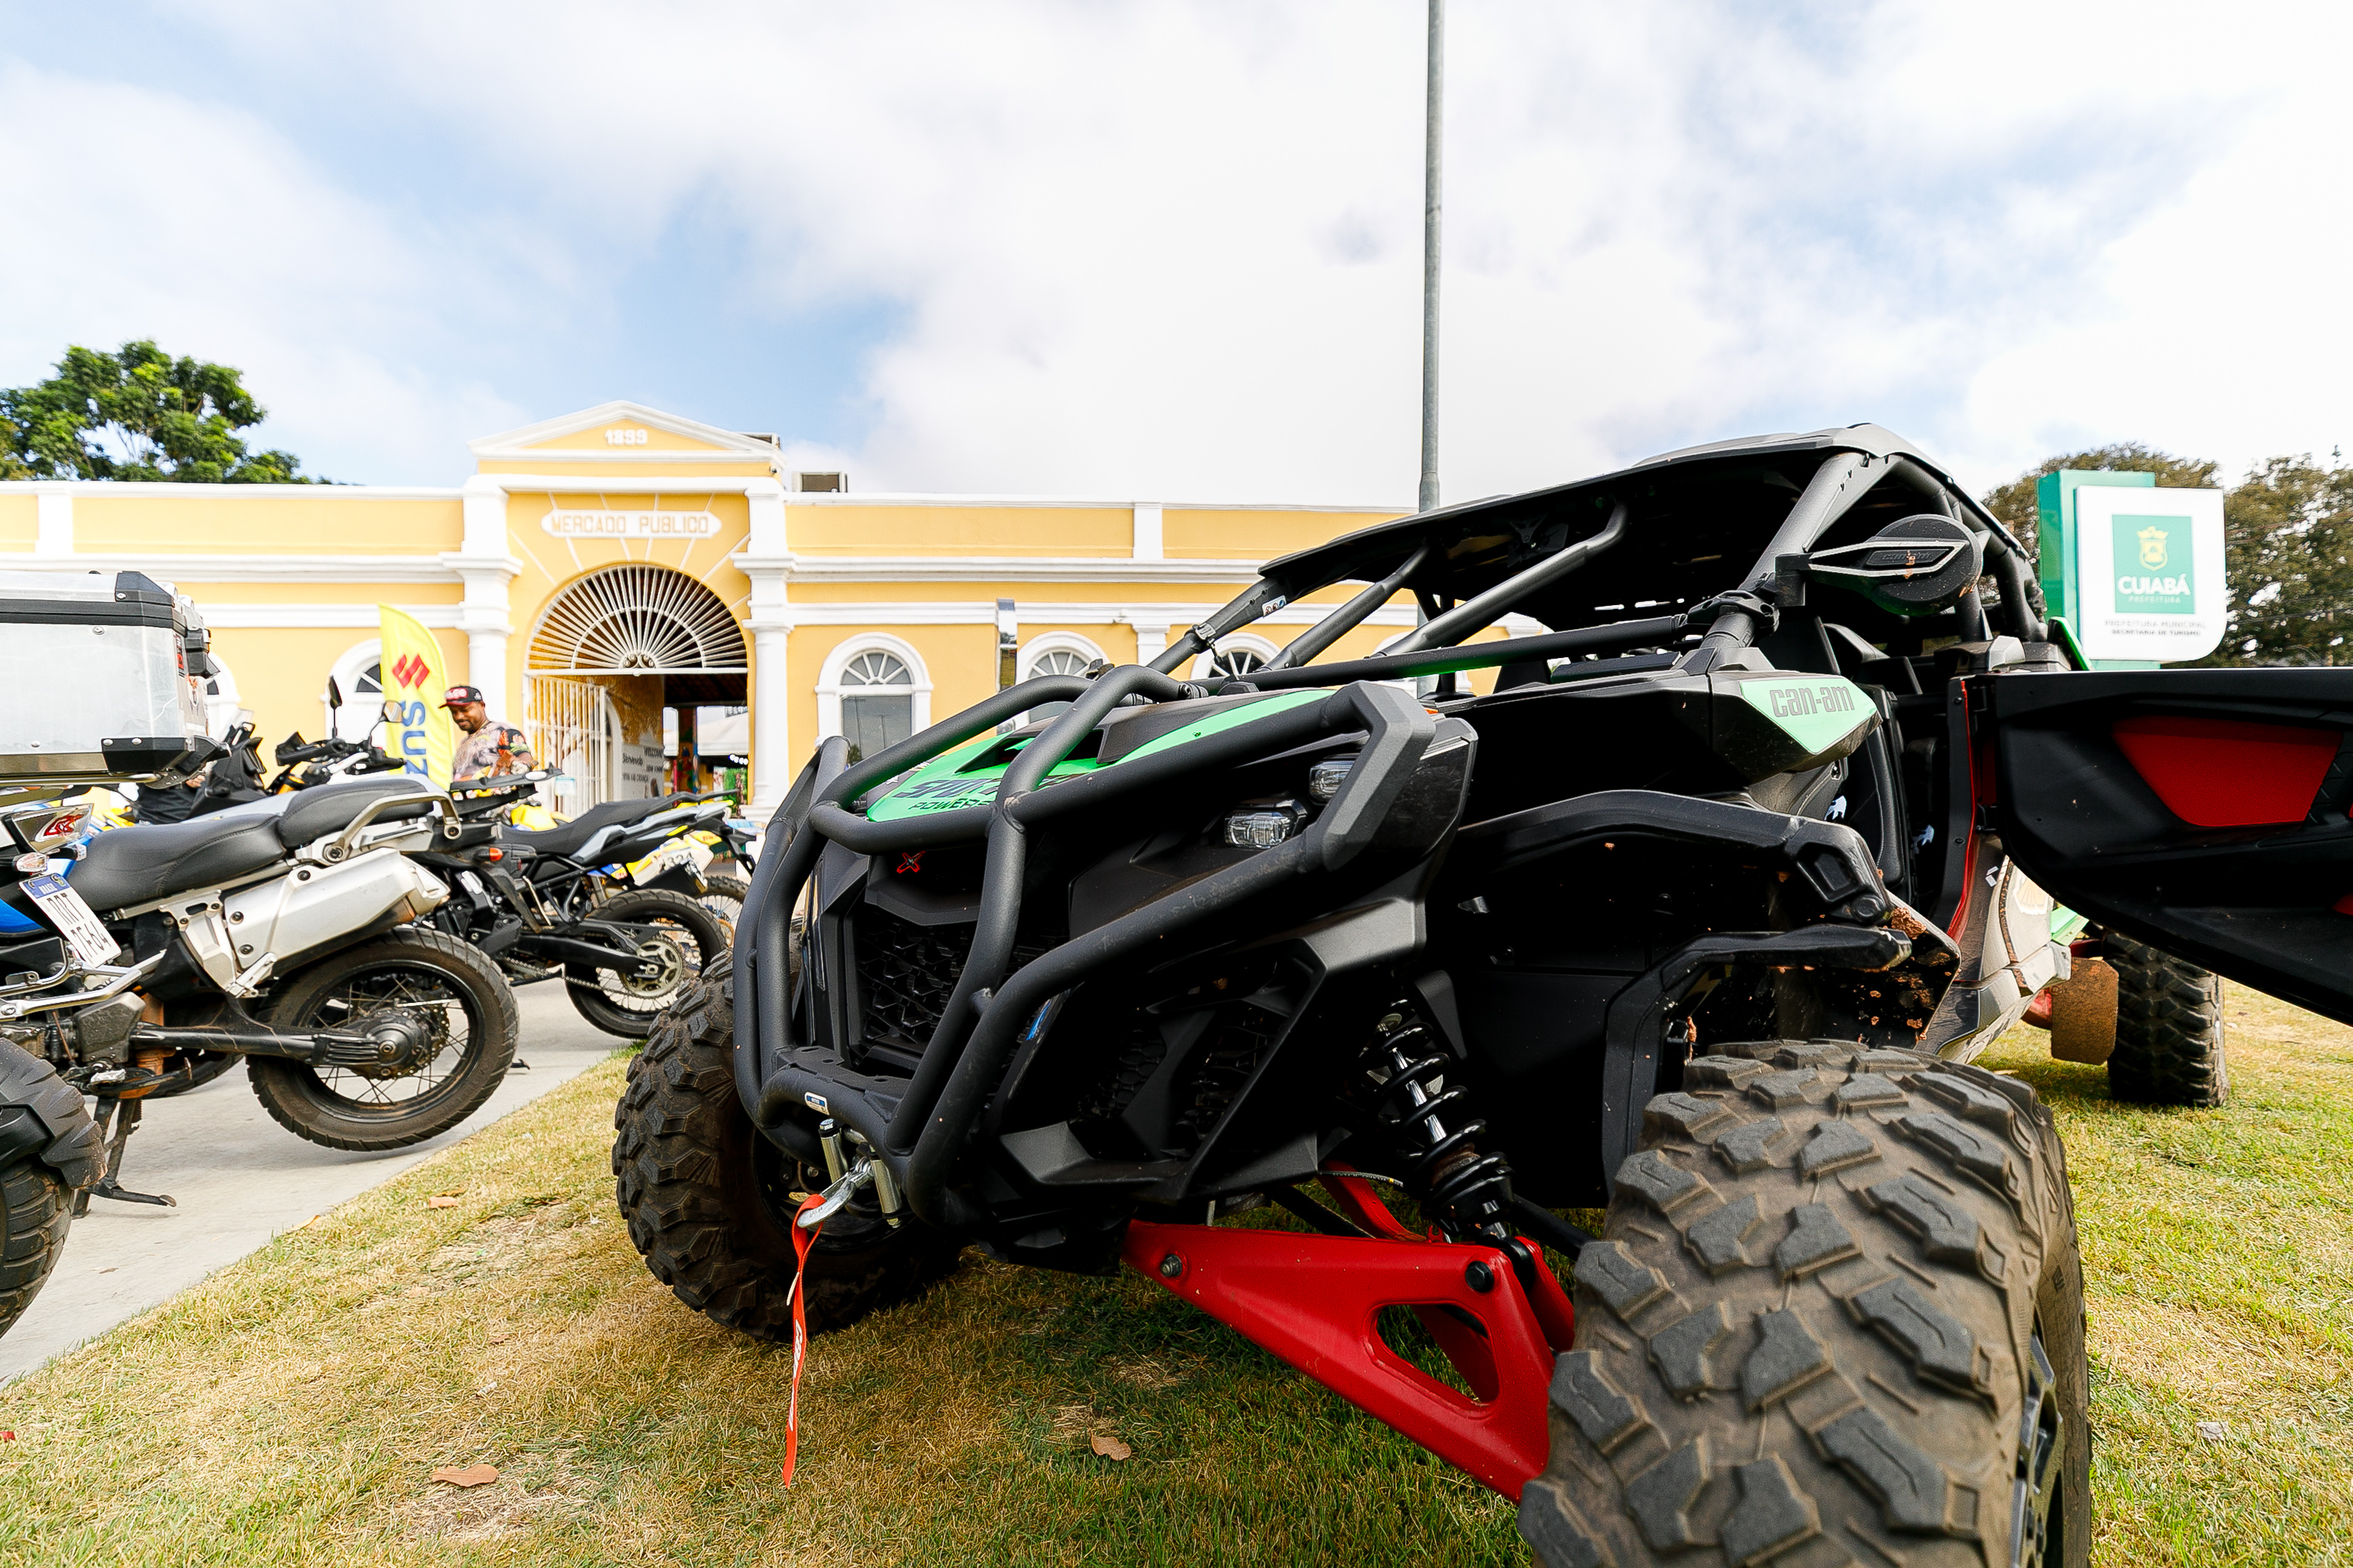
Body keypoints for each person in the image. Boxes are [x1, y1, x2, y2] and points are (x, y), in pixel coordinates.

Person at [442, 686, 537, 781]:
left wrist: (521, 764)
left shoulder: (502, 731)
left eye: (465, 710)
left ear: (481, 705)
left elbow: (524, 756)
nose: (458, 716)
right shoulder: (465, 742)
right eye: (453, 712)